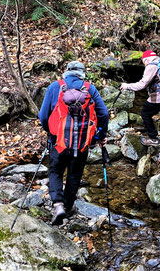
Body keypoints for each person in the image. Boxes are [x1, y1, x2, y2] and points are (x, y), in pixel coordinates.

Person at [39, 61, 109, 225]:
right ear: (83, 73)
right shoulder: (89, 88)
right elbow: (104, 114)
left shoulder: (55, 87)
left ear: (67, 72)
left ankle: (58, 205)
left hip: (59, 141)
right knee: (75, 173)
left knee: (56, 170)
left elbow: (43, 116)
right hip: (82, 143)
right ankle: (69, 206)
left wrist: (50, 132)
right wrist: (100, 136)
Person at [120, 50, 160, 167]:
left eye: (144, 62)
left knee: (145, 114)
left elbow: (142, 84)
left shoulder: (152, 65)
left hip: (158, 99)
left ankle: (153, 138)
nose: (144, 64)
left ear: (146, 59)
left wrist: (127, 86)